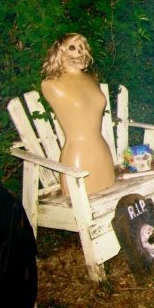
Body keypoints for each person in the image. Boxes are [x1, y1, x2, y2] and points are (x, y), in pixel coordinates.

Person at [41, 33, 116, 196]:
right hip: (78, 157)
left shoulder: (92, 79)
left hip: (103, 153)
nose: (80, 52)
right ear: (60, 51)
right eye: (72, 47)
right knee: (80, 204)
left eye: (82, 47)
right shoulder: (52, 84)